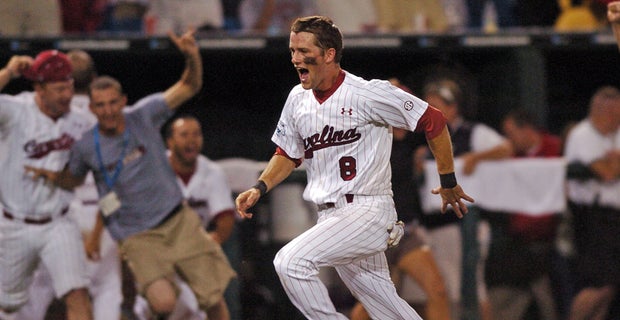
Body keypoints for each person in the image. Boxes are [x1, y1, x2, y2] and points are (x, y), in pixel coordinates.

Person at [235, 15, 474, 320]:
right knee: (388, 310)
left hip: (367, 211)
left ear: (329, 53)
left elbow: (434, 120)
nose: (295, 58)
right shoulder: (298, 98)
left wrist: (448, 178)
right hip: (331, 217)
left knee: (290, 261)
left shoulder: (367, 93)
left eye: (303, 50)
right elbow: (288, 153)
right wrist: (260, 186)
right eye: (292, 50)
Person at [26, 30, 236, 320]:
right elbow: (72, 180)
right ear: (92, 108)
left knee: (213, 299)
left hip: (177, 221)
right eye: (100, 105)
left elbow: (190, 85)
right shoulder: (86, 146)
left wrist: (191, 55)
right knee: (162, 304)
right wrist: (47, 175)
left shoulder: (144, 115)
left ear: (123, 100)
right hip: (138, 236)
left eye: (113, 103)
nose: (108, 110)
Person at [13, 49, 124, 320]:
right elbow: (114, 188)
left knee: (31, 298)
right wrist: (100, 231)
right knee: (104, 292)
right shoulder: (106, 119)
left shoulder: (33, 111)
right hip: (92, 215)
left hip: (50, 215)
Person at [0, 51, 93, 319]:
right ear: (39, 88)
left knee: (77, 295)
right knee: (9, 305)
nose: (67, 94)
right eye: (59, 88)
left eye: (70, 86)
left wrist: (58, 177)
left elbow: (77, 178)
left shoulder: (79, 121)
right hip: (13, 224)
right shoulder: (16, 111)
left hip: (58, 222)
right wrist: (8, 72)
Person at [348, 78, 451, 320]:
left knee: (437, 289)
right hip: (375, 234)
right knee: (371, 306)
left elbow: (437, 123)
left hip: (406, 232)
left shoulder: (411, 142)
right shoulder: (368, 137)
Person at [418, 77, 512, 320]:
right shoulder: (423, 137)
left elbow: (506, 149)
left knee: (469, 288)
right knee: (436, 290)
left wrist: (477, 157)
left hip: (464, 222)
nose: (430, 111)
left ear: (452, 107)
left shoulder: (472, 132)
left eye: (436, 105)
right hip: (431, 222)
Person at [133, 115, 241, 320]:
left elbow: (225, 220)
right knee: (153, 308)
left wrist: (207, 244)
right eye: (184, 135)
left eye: (196, 134)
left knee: (212, 299)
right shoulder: (152, 169)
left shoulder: (212, 171)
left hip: (193, 247)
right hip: (158, 247)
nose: (191, 140)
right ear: (170, 141)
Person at [483, 107, 562, 320]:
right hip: (517, 243)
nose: (507, 139)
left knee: (554, 302)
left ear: (527, 129)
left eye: (510, 133)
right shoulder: (508, 154)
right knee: (502, 297)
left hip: (553, 243)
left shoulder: (556, 147)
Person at [564, 85, 620, 320]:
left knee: (611, 285)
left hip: (615, 217)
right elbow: (607, 173)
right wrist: (611, 164)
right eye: (613, 112)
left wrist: (613, 163)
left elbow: (612, 168)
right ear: (599, 111)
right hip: (594, 217)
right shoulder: (582, 134)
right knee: (598, 283)